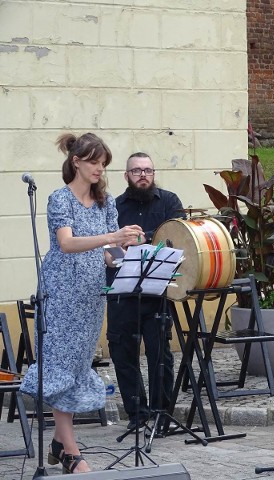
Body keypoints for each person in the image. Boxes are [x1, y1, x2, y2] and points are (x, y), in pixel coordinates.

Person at [20, 133, 143, 474]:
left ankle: (60, 444)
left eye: (103, 164)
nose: (98, 169)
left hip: (90, 295)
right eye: (93, 162)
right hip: (60, 294)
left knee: (76, 367)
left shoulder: (106, 203)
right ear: (76, 161)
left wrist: (129, 248)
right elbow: (67, 243)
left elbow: (108, 256)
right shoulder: (60, 199)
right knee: (60, 364)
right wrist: (112, 237)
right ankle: (71, 453)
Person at [106, 152, 184, 430]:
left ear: (154, 173)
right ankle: (137, 415)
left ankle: (163, 415)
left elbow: (178, 238)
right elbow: (108, 247)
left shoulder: (170, 202)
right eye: (136, 170)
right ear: (126, 176)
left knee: (160, 354)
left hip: (157, 290)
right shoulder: (113, 207)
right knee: (122, 352)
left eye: (148, 170)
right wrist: (119, 246)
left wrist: (143, 239)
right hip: (122, 290)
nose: (143, 175)